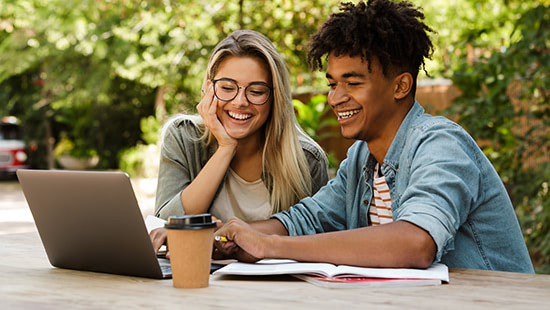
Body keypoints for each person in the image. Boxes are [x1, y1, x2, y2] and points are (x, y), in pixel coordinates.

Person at [214, 0, 534, 273]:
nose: (335, 98)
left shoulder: (440, 144)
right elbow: (306, 219)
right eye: (332, 84)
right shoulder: (362, 160)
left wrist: (270, 247)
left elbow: (416, 243)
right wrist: (224, 236)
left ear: (400, 86)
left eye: (352, 83)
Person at [150, 30, 329, 253]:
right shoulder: (183, 136)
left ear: (275, 97)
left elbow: (317, 238)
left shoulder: (307, 159)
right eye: (227, 88)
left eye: (256, 91)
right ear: (209, 89)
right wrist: (226, 148)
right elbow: (165, 226)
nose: (240, 101)